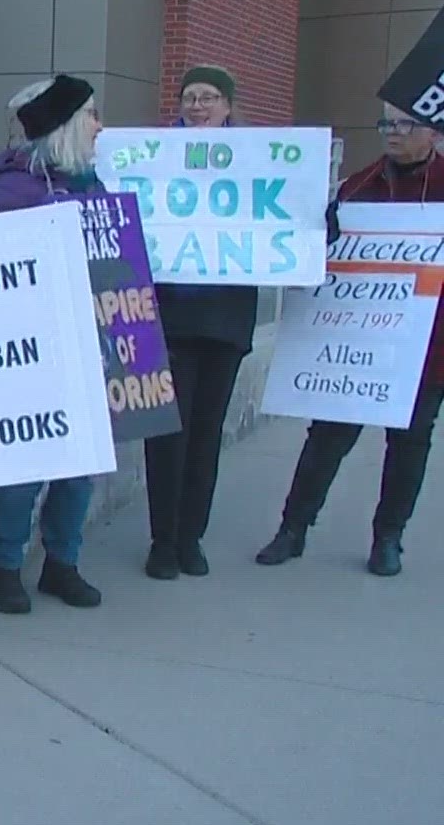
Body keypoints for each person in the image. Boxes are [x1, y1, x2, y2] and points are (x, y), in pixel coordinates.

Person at [255, 102, 444, 577]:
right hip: (352, 343)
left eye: (406, 125)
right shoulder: (357, 187)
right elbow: (321, 253)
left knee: (408, 446)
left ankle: (388, 538)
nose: (394, 134)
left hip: (424, 349)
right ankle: (292, 529)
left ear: (434, 134)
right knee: (325, 440)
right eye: (387, 124)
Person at [0, 75, 107, 614]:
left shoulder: (91, 185)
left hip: (86, 345)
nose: (101, 127)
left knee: (80, 462)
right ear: (67, 127)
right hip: (30, 351)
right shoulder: (14, 192)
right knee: (23, 464)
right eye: (93, 115)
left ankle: (62, 563)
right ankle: (4, 567)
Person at [141, 66, 254, 580]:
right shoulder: (155, 158)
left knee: (207, 433)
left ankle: (192, 539)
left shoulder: (258, 162)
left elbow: (291, 217)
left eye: (210, 97)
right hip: (169, 316)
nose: (199, 104)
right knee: (168, 434)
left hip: (226, 319)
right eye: (190, 96)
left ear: (229, 106)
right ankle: (163, 541)